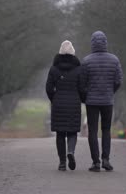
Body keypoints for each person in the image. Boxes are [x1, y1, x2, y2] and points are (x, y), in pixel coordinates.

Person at [81, 31, 123, 172]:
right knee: (106, 130)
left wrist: (85, 97)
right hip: (107, 101)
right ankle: (106, 159)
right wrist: (111, 92)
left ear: (92, 43)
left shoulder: (86, 61)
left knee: (92, 131)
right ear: (105, 43)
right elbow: (118, 81)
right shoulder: (114, 60)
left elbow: (82, 83)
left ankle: (96, 162)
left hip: (91, 101)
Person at [46, 40, 85, 171]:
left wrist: (54, 99)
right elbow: (82, 88)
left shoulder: (54, 68)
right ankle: (71, 152)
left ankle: (62, 162)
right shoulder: (79, 69)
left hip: (58, 104)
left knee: (60, 133)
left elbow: (49, 88)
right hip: (74, 103)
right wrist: (82, 99)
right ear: (73, 52)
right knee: (73, 131)